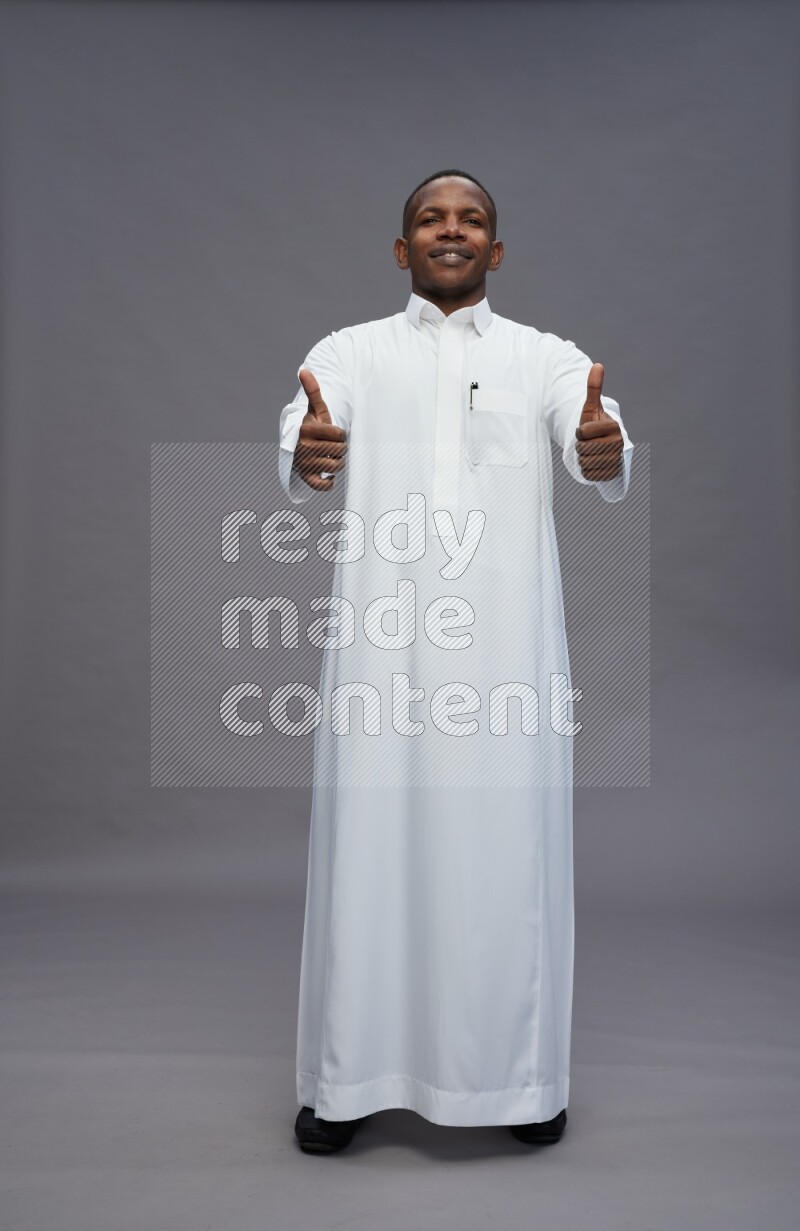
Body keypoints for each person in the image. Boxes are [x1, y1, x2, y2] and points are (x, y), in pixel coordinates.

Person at [277, 170, 633, 1153]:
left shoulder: (542, 357)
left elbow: (588, 430)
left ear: (495, 250)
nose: (449, 229)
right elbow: (310, 425)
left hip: (502, 658)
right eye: (430, 218)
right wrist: (310, 449)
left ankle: (517, 1083)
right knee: (367, 854)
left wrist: (601, 451)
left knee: (500, 860)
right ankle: (345, 1081)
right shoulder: (347, 351)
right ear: (401, 250)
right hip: (380, 657)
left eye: (469, 218)